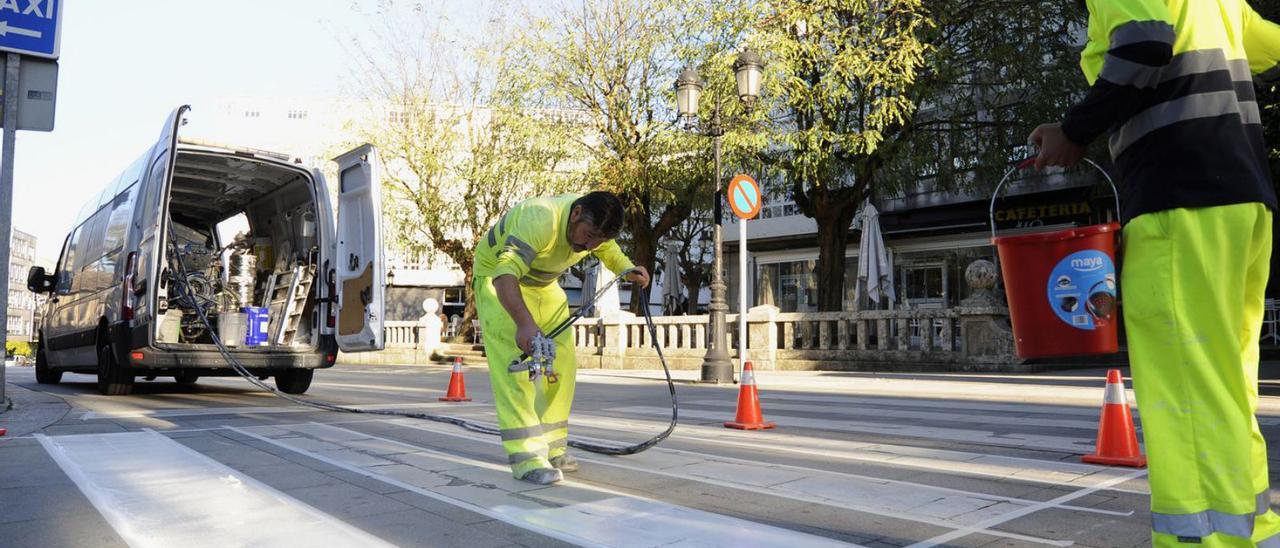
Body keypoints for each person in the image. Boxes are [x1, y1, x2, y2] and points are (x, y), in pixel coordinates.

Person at [1031, 1, 1280, 545]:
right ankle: (1252, 528)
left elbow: (1144, 41)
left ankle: (1204, 540)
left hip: (1178, 203)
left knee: (1185, 385)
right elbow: (1271, 46)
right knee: (1225, 383)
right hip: (1242, 205)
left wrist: (1074, 130)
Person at [472, 191, 649, 484]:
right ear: (576, 213)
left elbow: (609, 250)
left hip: (544, 285)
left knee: (561, 365)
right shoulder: (540, 219)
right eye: (588, 236)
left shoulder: (594, 233)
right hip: (500, 282)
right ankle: (527, 457)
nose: (589, 246)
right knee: (518, 370)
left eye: (597, 240)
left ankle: (554, 447)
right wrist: (524, 325)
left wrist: (627, 270)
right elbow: (505, 275)